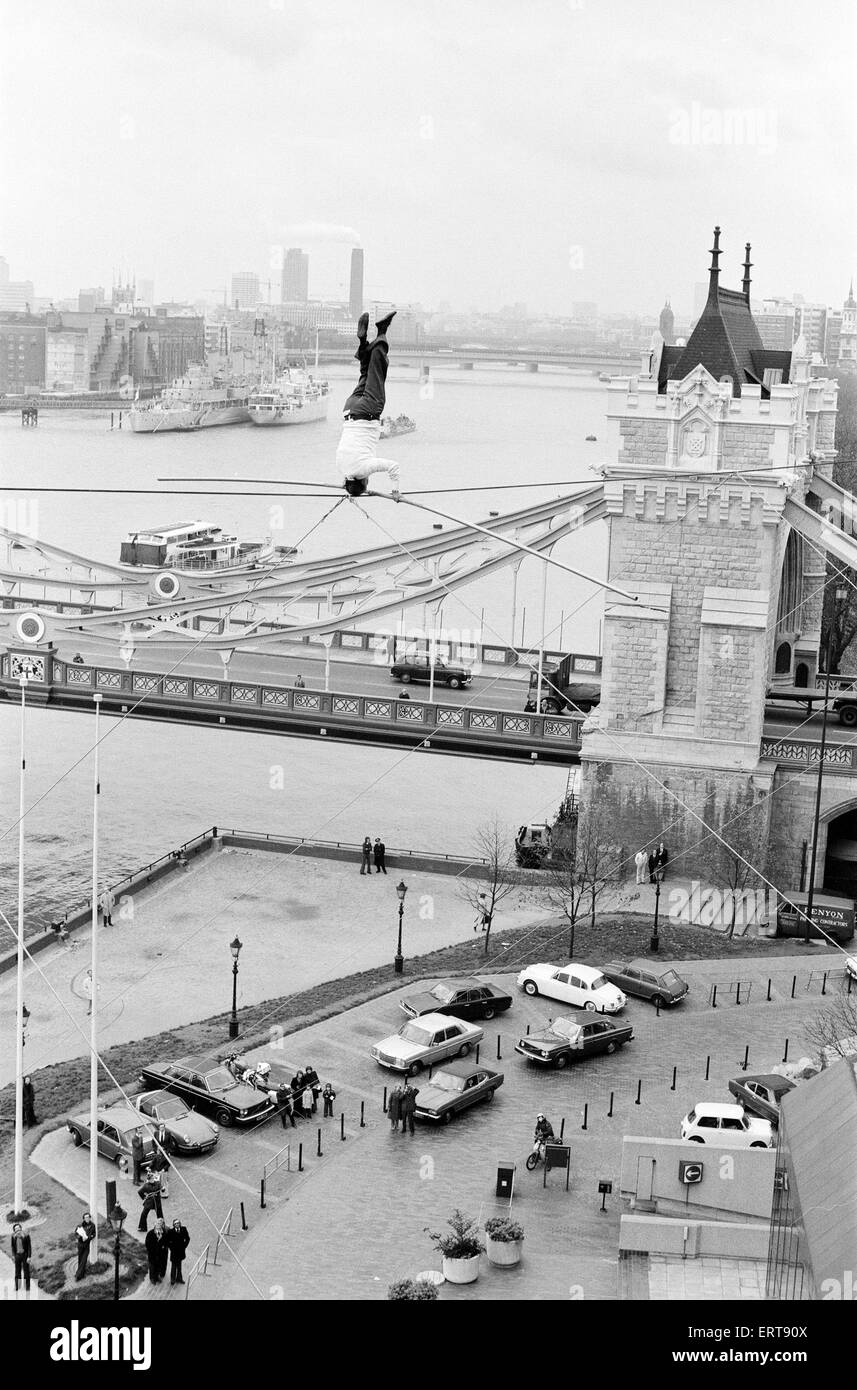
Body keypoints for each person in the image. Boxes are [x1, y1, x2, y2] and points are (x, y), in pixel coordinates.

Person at [336, 311, 401, 498]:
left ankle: (382, 332)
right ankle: (363, 343)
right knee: (365, 374)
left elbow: (393, 467)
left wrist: (396, 491)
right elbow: (348, 476)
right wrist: (346, 485)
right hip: (349, 409)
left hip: (368, 411)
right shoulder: (342, 467)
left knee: (377, 369)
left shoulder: (364, 469)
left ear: (363, 480)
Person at [166, 1219, 191, 1286]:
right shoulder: (171, 1231)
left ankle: (179, 1278)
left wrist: (184, 1246)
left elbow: (187, 1238)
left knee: (179, 1266)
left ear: (180, 1224)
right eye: (175, 1223)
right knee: (173, 1266)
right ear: (173, 1225)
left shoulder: (183, 1229)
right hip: (174, 1252)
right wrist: (171, 1248)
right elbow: (167, 1241)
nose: (177, 1224)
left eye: (178, 1223)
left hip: (181, 1251)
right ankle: (172, 1279)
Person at [145, 1219, 168, 1284]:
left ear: (162, 1225)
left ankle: (157, 1277)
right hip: (152, 1254)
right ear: (154, 1225)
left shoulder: (164, 1233)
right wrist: (150, 1251)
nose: (158, 1225)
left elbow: (166, 1242)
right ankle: (152, 1278)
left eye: (160, 1224)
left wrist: (164, 1247)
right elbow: (147, 1244)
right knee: (152, 1267)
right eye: (157, 1224)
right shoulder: (150, 1233)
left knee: (158, 1266)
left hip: (160, 1254)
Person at [75, 1213, 96, 1281]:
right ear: (84, 1219)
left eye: (88, 1217)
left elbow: (94, 1234)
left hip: (86, 1245)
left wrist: (88, 1238)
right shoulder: (80, 1225)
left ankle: (78, 1275)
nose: (87, 1218)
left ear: (90, 1218)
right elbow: (76, 1234)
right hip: (80, 1245)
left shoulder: (92, 1225)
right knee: (80, 1259)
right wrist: (81, 1238)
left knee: (84, 1260)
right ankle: (82, 1274)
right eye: (86, 1217)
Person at [11, 1223, 31, 1293]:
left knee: (26, 1272)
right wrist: (13, 1255)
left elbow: (29, 1247)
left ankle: (27, 1287)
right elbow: (13, 1247)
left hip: (25, 1255)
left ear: (21, 1228)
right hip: (17, 1256)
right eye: (16, 1228)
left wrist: (29, 1257)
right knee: (17, 1272)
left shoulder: (26, 1235)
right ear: (14, 1230)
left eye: (18, 1228)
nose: (17, 1229)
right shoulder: (13, 1236)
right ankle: (17, 1286)